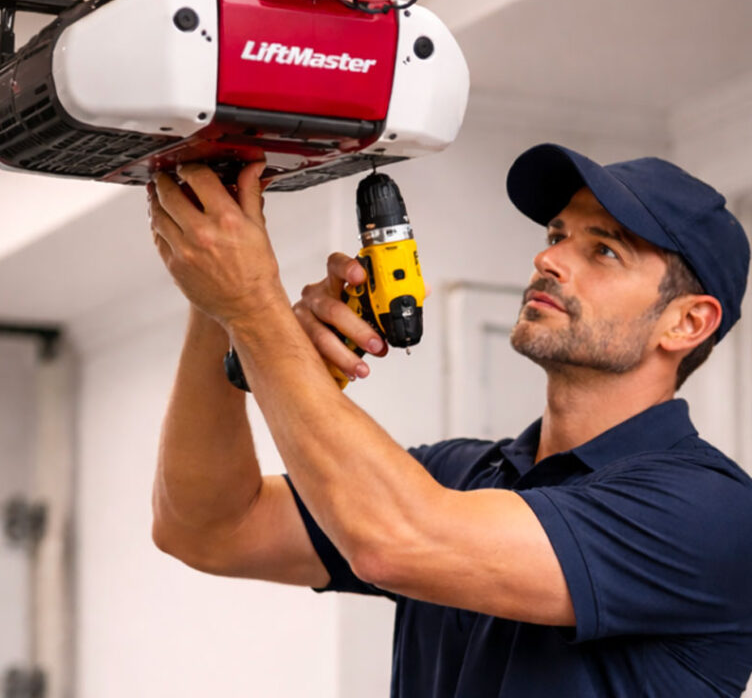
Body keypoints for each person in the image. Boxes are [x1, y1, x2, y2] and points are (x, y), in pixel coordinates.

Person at [147, 143, 752, 697]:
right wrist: (221, 313)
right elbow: (209, 528)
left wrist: (256, 310)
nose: (547, 258)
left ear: (687, 323)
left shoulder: (711, 512)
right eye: (557, 234)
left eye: (604, 250)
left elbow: (394, 542)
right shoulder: (460, 476)